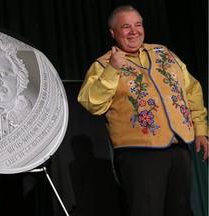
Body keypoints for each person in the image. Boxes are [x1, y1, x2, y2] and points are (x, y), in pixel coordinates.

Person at [77, 5, 208, 216]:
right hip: (139, 154)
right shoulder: (103, 65)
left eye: (138, 25)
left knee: (181, 211)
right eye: (126, 27)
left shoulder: (164, 53)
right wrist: (113, 69)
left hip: (179, 148)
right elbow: (92, 103)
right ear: (113, 33)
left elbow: (192, 89)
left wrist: (200, 129)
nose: (134, 31)